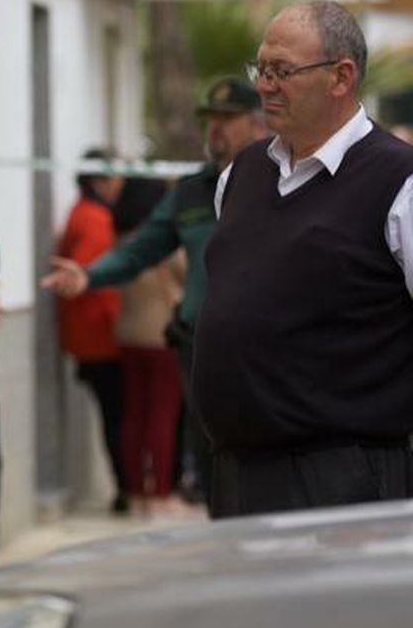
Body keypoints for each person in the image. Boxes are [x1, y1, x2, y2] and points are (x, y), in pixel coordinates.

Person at [194, 1, 413, 518]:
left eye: (282, 71)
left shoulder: (399, 181)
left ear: (341, 77)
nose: (265, 85)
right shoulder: (241, 175)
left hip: (345, 482)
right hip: (237, 473)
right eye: (261, 69)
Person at [42, 78, 269, 503]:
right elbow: (142, 247)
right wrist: (89, 275)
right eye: (209, 120)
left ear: (258, 125)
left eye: (226, 120)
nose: (214, 130)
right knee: (210, 467)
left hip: (260, 353)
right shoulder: (191, 192)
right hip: (199, 349)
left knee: (256, 470)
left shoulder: (279, 183)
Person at [55, 149, 128, 513]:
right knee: (119, 418)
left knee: (114, 417)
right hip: (102, 338)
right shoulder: (95, 219)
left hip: (88, 336)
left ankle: (125, 488)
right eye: (114, 177)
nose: (120, 185)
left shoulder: (81, 213)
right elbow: (91, 275)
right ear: (99, 181)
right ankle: (127, 489)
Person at [108, 178, 186, 512]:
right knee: (163, 416)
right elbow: (188, 270)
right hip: (161, 337)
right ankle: (161, 494)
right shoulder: (162, 242)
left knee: (134, 415)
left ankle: (137, 491)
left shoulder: (120, 241)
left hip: (126, 335)